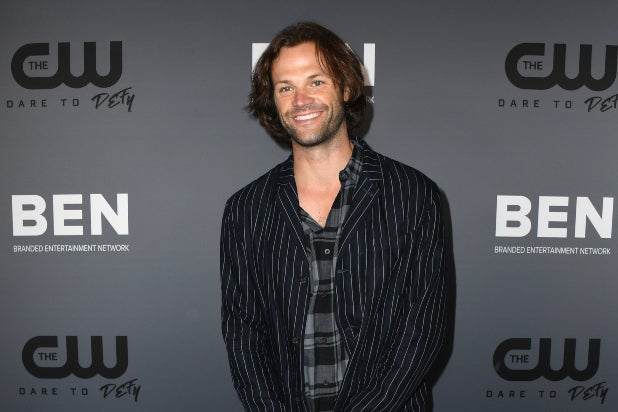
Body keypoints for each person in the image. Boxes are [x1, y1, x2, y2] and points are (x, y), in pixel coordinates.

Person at [220, 21, 448, 411]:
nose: (300, 100)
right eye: (285, 87)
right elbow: (243, 332)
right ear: (272, 101)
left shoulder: (412, 194)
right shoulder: (246, 209)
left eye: (316, 81)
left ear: (345, 87)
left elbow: (422, 329)